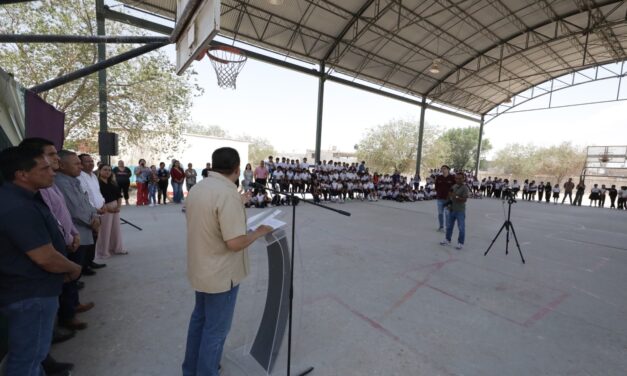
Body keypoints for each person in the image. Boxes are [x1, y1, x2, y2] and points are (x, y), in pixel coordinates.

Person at [182, 147, 273, 376]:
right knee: (216, 330)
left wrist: (238, 202)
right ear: (237, 168)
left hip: (202, 268)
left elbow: (211, 216)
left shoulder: (200, 187)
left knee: (199, 322)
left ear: (213, 165)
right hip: (222, 274)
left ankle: (191, 369)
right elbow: (234, 243)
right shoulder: (227, 193)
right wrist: (258, 232)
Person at [0, 146, 82, 376]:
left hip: (30, 291)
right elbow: (44, 256)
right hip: (30, 294)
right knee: (26, 360)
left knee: (33, 357)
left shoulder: (22, 198)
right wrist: (73, 267)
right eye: (45, 168)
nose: (53, 172)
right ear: (22, 174)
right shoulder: (17, 206)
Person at [55, 150, 99, 330]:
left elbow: (85, 202)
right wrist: (92, 221)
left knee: (77, 271)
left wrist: (95, 216)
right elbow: (74, 209)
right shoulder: (61, 183)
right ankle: (68, 314)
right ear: (62, 165)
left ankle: (74, 304)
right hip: (77, 232)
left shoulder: (73, 180)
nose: (80, 167)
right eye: (77, 164)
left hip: (86, 228)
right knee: (71, 274)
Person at [77, 153, 107, 273]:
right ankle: (84, 266)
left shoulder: (94, 176)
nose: (91, 163)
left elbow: (97, 193)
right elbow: (85, 197)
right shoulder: (79, 177)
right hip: (90, 212)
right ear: (81, 164)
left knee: (95, 238)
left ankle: (90, 261)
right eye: (87, 161)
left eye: (91, 161)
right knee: (88, 239)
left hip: (99, 211)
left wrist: (103, 203)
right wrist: (95, 209)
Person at [95, 164, 127, 259]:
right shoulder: (97, 183)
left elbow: (119, 196)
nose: (107, 172)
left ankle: (117, 248)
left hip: (115, 207)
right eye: (105, 170)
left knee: (115, 229)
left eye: (109, 170)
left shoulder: (112, 182)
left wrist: (118, 207)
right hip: (104, 208)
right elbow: (96, 198)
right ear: (100, 171)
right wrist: (108, 208)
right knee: (104, 230)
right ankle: (103, 251)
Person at [440, 172, 469, 250]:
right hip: (452, 209)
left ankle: (460, 243)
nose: (458, 180)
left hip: (460, 211)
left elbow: (464, 200)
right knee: (449, 226)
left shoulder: (465, 188)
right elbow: (449, 196)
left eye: (460, 178)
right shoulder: (454, 186)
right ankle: (447, 239)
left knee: (461, 228)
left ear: (463, 179)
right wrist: (448, 202)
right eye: (456, 178)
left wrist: (455, 196)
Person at [434, 165, 456, 232]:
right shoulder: (439, 178)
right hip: (440, 198)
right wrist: (439, 193)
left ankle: (447, 228)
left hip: (448, 199)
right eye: (442, 169)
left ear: (448, 170)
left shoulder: (452, 178)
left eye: (445, 169)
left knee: (447, 214)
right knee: (440, 213)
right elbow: (436, 187)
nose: (443, 170)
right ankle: (441, 226)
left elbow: (455, 187)